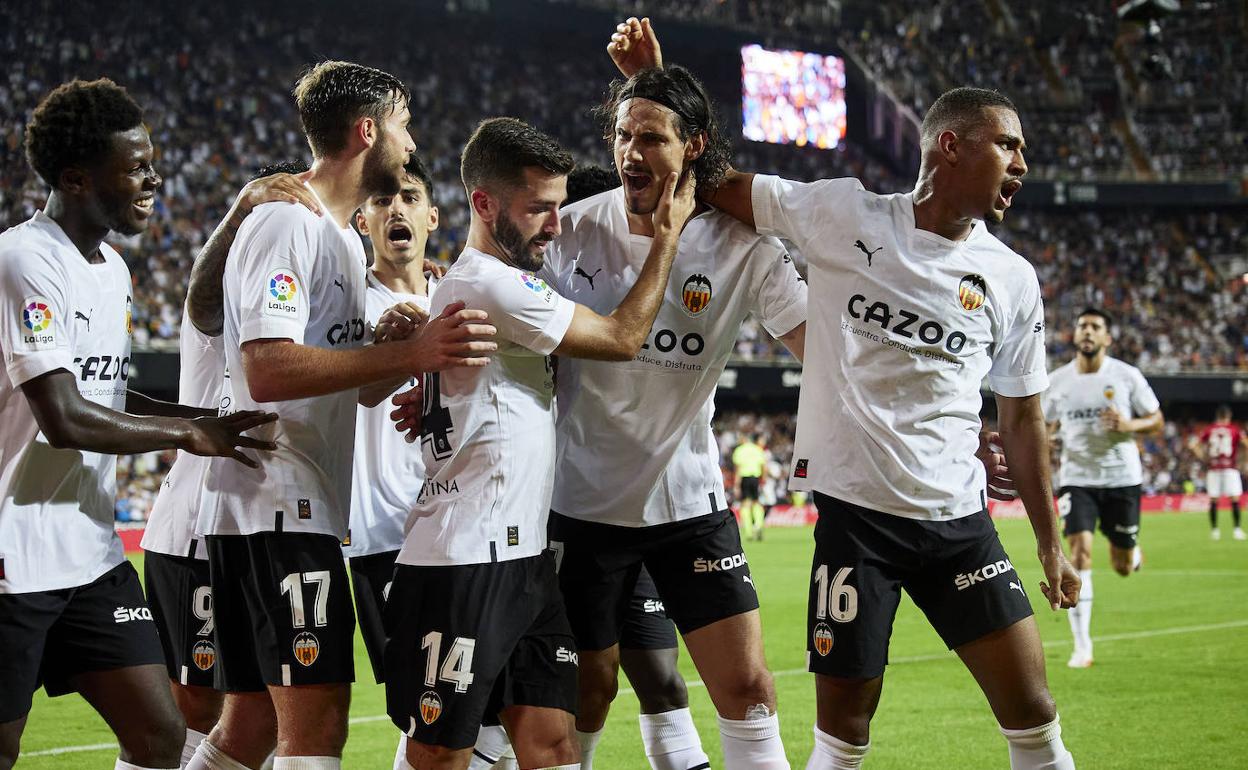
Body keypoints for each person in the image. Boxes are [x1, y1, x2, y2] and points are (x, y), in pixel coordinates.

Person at [652, 23, 1079, 761]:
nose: (1022, 164)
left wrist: (1048, 543)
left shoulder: (1011, 278)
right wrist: (659, 85)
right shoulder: (843, 214)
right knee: (844, 735)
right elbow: (717, 183)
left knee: (1035, 714)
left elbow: (1023, 416)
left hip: (959, 524)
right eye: (1008, 145)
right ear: (951, 145)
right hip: (858, 524)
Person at [185, 61, 497, 770]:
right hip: (279, 505)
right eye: (403, 124)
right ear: (367, 130)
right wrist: (407, 349)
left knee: (252, 726)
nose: (410, 143)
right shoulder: (285, 222)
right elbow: (268, 369)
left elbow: (340, 387)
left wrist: (390, 352)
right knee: (317, 730)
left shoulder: (337, 239)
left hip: (280, 504)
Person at [383, 116, 695, 770]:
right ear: (484, 204)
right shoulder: (497, 284)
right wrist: (666, 240)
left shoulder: (462, 285)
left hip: (523, 558)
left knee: (552, 744)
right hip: (461, 562)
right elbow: (619, 340)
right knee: (439, 754)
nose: (556, 225)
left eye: (559, 207)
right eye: (539, 210)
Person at [541, 38, 808, 768]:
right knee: (589, 693)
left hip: (688, 504)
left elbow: (821, 349)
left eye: (651, 137)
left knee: (749, 686)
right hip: (583, 506)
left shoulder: (741, 245)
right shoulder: (568, 230)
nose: (631, 151)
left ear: (692, 147)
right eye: (623, 135)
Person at [0, 78, 279, 770]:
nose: (155, 177)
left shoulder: (113, 269)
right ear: (77, 176)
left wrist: (206, 417)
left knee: (157, 737)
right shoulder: (24, 261)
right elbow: (63, 417)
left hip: (91, 556)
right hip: (12, 558)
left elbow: (109, 394)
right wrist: (189, 436)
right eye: (137, 165)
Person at [142, 162, 321, 767]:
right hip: (194, 528)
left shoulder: (286, 306)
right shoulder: (222, 313)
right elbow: (199, 294)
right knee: (197, 711)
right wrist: (241, 209)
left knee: (256, 710)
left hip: (247, 527)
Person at [346, 153, 445, 770]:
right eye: (382, 201)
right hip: (383, 532)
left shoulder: (462, 293)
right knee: (416, 707)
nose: (396, 209)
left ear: (433, 215)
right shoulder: (344, 301)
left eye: (408, 197)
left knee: (486, 698)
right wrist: (391, 352)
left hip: (463, 530)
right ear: (363, 221)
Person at [1044, 307, 1163, 669]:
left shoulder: (1127, 376)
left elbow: (1156, 421)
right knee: (1079, 553)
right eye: (1082, 327)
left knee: (1122, 564)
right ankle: (1082, 646)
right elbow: (1046, 425)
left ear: (1107, 338)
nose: (1088, 332)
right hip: (1077, 479)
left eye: (1096, 327)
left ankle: (1133, 553)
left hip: (1121, 479)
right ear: (1075, 336)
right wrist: (1047, 439)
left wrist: (1128, 425)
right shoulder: (1059, 380)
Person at [1193, 405, 1246, 540]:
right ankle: (1237, 530)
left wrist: (1203, 457)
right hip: (1230, 468)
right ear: (1228, 416)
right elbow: (1246, 444)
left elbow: (1193, 444)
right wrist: (1243, 460)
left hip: (1214, 468)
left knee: (1214, 500)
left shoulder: (1209, 429)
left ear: (1217, 416)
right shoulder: (1234, 429)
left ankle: (1215, 531)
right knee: (1234, 499)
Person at [733, 434, 769, 541]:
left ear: (743, 439)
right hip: (755, 478)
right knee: (756, 502)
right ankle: (758, 524)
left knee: (745, 503)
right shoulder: (758, 449)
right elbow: (764, 467)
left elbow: (738, 468)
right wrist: (763, 479)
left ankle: (748, 532)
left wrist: (736, 485)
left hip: (745, 478)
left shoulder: (739, 450)